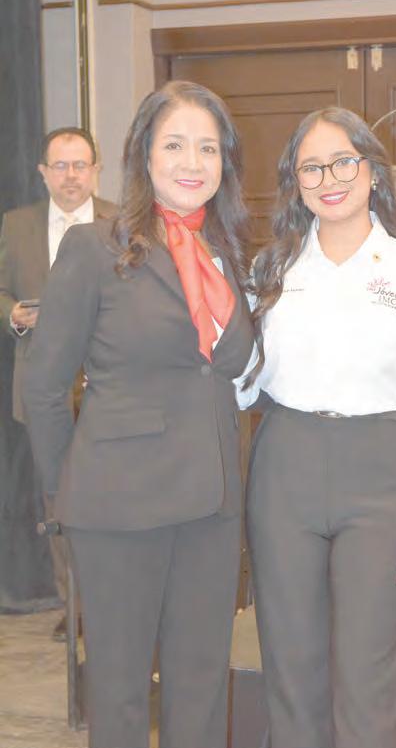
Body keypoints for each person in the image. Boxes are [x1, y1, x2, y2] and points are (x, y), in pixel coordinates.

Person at [22, 81, 254, 748]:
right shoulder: (95, 247)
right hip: (118, 508)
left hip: (211, 504)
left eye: (207, 147)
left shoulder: (225, 251)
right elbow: (44, 386)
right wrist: (65, 495)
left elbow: (228, 369)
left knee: (201, 683)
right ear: (143, 155)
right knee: (121, 692)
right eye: (174, 144)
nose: (192, 162)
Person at [238, 107, 396, 748]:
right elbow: (244, 385)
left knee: (370, 674)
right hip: (285, 466)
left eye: (343, 161)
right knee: (290, 666)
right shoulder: (269, 270)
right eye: (311, 167)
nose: (329, 179)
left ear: (371, 170)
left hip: (380, 473)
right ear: (295, 182)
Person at [0, 127, 117, 633]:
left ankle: (110, 604)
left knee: (108, 496)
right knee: (57, 500)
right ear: (43, 172)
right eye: (61, 166)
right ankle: (75, 612)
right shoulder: (16, 225)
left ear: (96, 170)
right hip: (42, 388)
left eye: (80, 165)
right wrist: (12, 314)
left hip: (107, 385)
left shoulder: (120, 222)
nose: (71, 176)